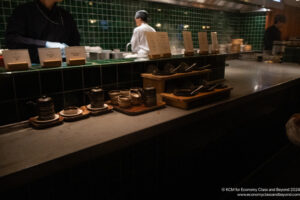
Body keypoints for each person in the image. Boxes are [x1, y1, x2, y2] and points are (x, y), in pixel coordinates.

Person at [5, 0, 80, 63]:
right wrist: (45, 44)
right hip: (32, 69)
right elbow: (12, 40)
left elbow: (75, 44)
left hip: (62, 68)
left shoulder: (66, 16)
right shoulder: (23, 11)